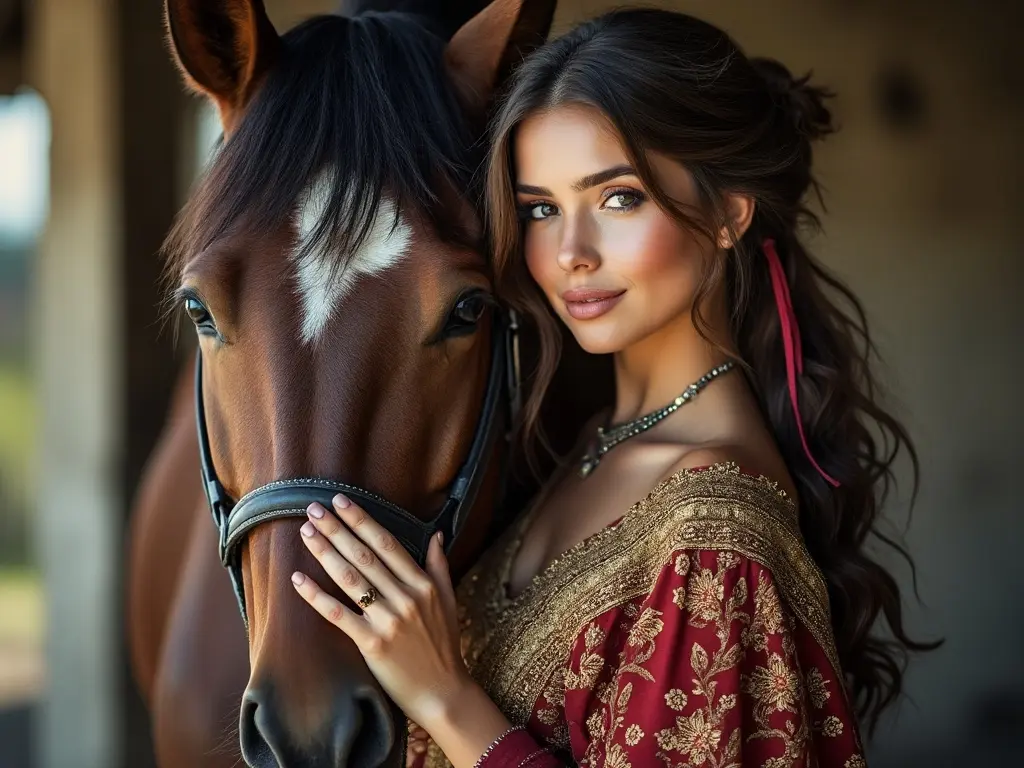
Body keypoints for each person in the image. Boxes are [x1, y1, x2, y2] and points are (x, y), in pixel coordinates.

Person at [287, 8, 935, 767]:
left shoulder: (715, 530)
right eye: (541, 209)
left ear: (728, 211)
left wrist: (444, 700)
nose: (570, 253)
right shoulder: (588, 441)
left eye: (618, 198)